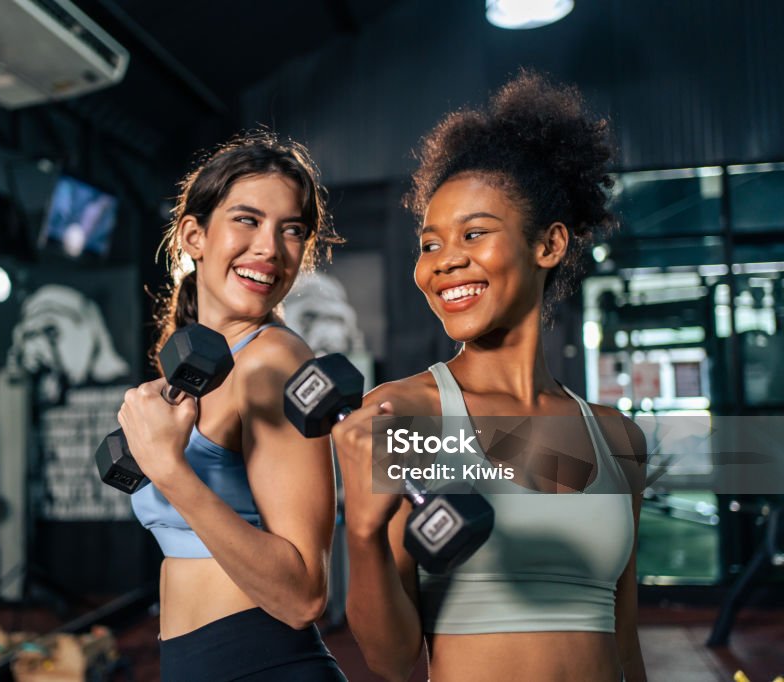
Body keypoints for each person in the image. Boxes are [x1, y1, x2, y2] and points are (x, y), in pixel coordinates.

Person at [332, 70, 648, 682]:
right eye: (428, 244)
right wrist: (365, 534)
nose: (444, 261)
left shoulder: (618, 440)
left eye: (474, 233)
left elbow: (626, 640)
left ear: (549, 244)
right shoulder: (407, 416)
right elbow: (393, 661)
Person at [115, 132, 348, 681]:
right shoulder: (197, 363)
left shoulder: (275, 361)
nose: (269, 247)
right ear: (195, 235)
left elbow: (304, 595)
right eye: (247, 219)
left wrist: (169, 469)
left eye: (291, 229)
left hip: (263, 662)